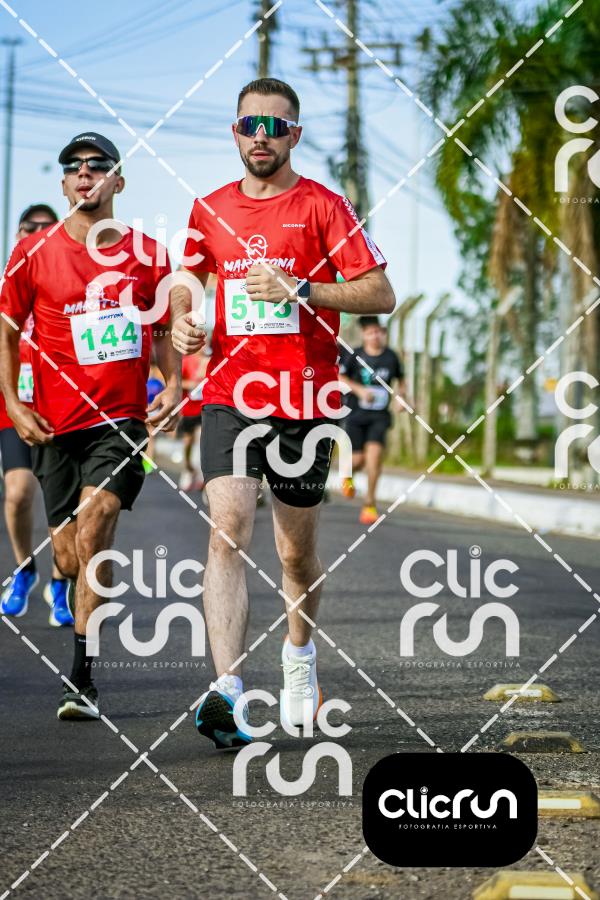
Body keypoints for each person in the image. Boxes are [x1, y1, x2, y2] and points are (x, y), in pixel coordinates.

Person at [171, 78, 395, 750]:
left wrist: (301, 288)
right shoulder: (209, 209)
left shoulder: (324, 206)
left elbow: (380, 292)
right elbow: (188, 286)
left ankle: (300, 655)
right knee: (227, 530)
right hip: (230, 395)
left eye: (275, 125)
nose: (261, 136)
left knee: (295, 556)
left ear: (294, 134)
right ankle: (228, 691)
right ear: (235, 132)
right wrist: (184, 325)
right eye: (250, 124)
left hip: (305, 400)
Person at [0, 131, 181, 720]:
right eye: (74, 166)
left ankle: (82, 676)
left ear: (117, 181)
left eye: (98, 165)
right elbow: (7, 330)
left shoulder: (148, 254)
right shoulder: (33, 252)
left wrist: (172, 381)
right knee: (69, 551)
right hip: (53, 425)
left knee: (97, 522)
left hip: (119, 421)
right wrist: (14, 402)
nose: (85, 173)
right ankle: (62, 577)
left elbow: (161, 329)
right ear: (63, 184)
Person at [0, 203, 74, 626]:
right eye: (30, 227)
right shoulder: (8, 282)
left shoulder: (64, 279)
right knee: (18, 493)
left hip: (59, 408)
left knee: (63, 505)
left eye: (47, 228)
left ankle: (60, 582)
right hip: (14, 409)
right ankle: (24, 569)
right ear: (17, 234)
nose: (38, 233)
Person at [339, 315, 405, 525]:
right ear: (364, 335)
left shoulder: (391, 357)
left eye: (378, 332)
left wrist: (401, 398)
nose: (375, 336)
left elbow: (401, 381)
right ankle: (347, 474)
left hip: (379, 416)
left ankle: (370, 504)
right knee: (359, 460)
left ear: (383, 333)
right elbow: (340, 377)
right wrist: (359, 390)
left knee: (374, 457)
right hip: (356, 415)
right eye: (370, 333)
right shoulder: (355, 355)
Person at [178, 344, 210, 491]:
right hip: (189, 408)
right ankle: (188, 468)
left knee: (203, 439)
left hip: (205, 407)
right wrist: (191, 383)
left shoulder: (210, 361)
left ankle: (201, 474)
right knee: (188, 441)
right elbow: (177, 382)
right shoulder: (187, 361)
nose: (204, 347)